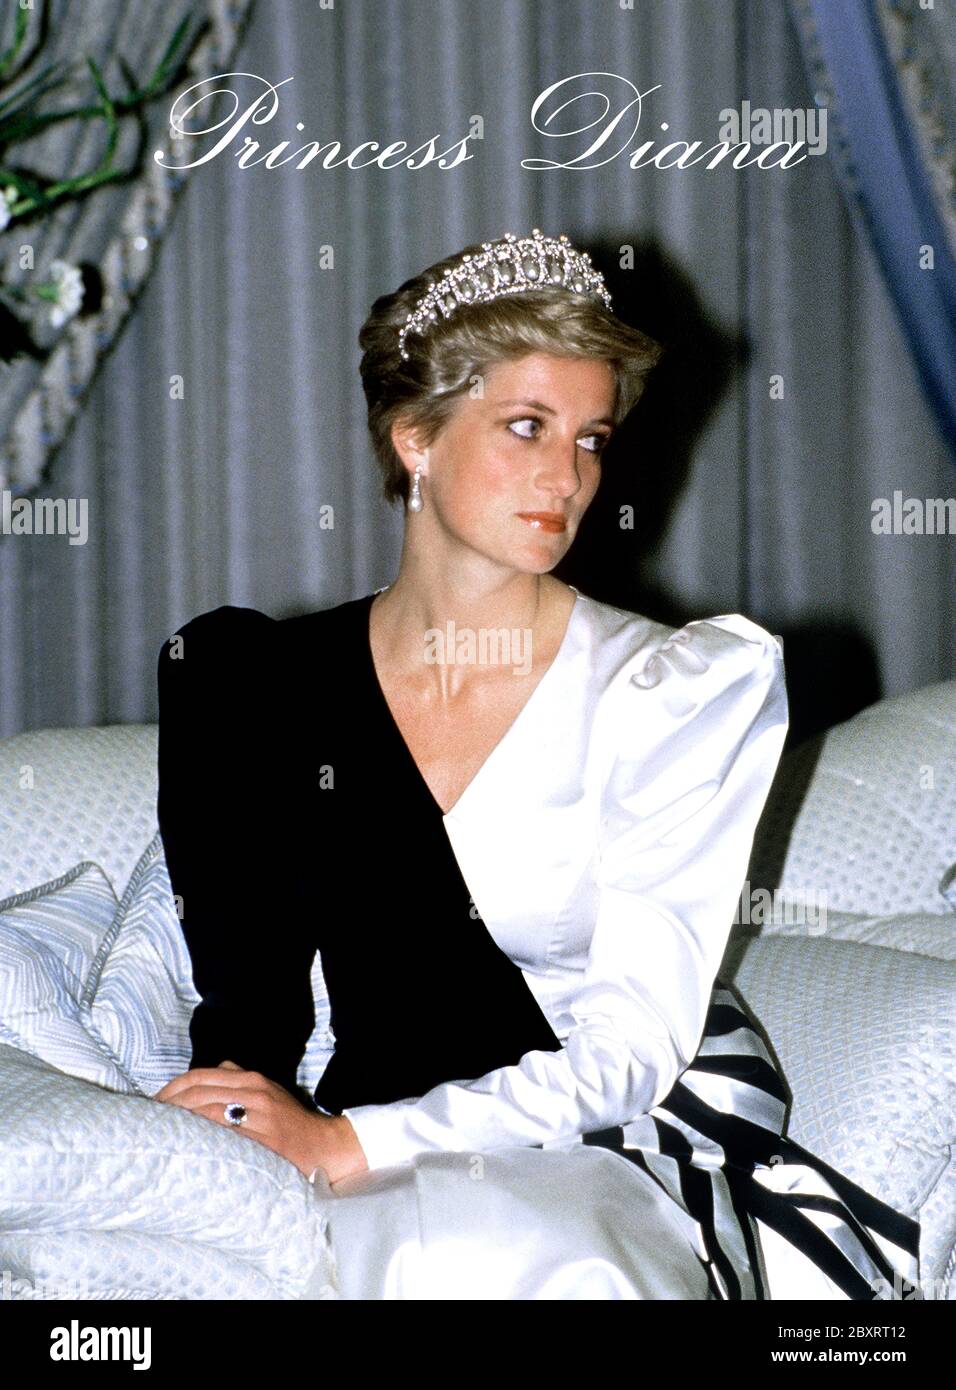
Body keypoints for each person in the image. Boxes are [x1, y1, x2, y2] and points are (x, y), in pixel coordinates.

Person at [154, 229, 921, 1300]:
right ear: (413, 436)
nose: (568, 477)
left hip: (606, 1129)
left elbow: (631, 1054)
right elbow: (247, 1000)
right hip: (367, 1135)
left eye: (592, 438)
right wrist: (247, 1132)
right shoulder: (254, 681)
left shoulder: (671, 689)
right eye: (526, 426)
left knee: (517, 1261)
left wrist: (354, 1144)